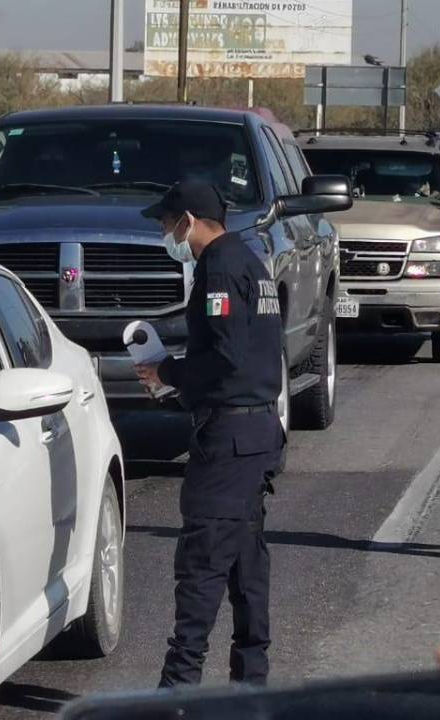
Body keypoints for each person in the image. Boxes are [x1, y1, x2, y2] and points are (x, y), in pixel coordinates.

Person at [136, 180, 285, 687]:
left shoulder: (219, 268)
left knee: (201, 565)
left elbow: (226, 357)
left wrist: (167, 374)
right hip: (256, 430)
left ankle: (176, 695)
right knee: (245, 563)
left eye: (166, 224)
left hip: (230, 438)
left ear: (190, 221)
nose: (165, 234)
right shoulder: (249, 261)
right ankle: (251, 683)